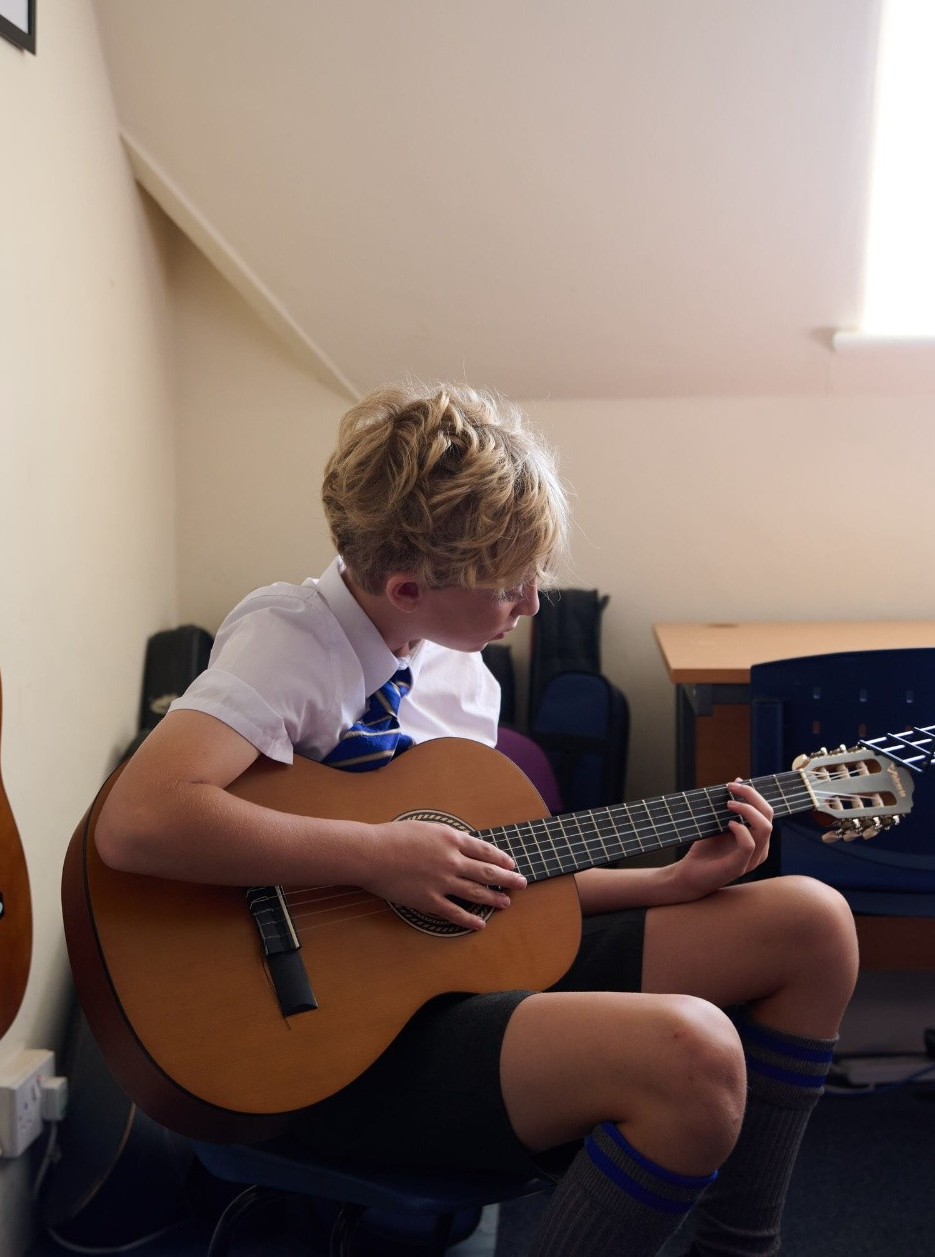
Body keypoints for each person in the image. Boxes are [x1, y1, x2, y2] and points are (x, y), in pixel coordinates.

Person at [93, 383, 858, 1257]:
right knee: (695, 1054)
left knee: (814, 923)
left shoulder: (460, 672)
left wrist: (669, 880)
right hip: (320, 1041)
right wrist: (378, 854)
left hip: (450, 978)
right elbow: (140, 821)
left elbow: (485, 874)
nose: (533, 604)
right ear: (408, 584)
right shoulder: (290, 642)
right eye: (511, 586)